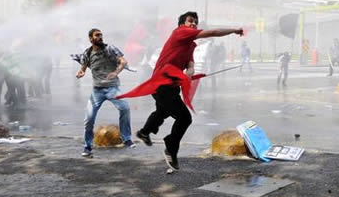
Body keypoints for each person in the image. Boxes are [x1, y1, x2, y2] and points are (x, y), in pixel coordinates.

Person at [125, 11, 243, 171]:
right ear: (182, 24)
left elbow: (190, 63)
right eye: (190, 21)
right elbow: (213, 32)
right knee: (185, 118)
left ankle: (144, 132)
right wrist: (234, 30)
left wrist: (190, 71)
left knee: (162, 112)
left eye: (196, 22)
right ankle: (170, 148)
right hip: (162, 85)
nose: (194, 24)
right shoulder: (180, 33)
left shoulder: (189, 45)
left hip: (169, 87)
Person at [76, 29, 135, 157]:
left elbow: (123, 62)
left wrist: (116, 72)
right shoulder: (87, 52)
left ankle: (127, 139)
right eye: (97, 35)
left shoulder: (110, 48)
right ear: (91, 39)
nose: (101, 37)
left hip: (113, 88)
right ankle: (87, 146)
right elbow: (82, 68)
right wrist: (80, 72)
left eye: (101, 35)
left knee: (125, 108)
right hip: (97, 90)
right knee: (89, 118)